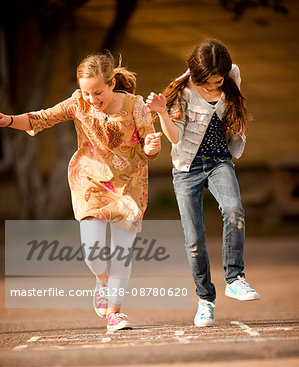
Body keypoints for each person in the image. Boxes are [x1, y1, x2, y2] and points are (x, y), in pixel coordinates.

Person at [0, 51, 161, 331]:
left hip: (130, 185)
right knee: (92, 253)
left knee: (122, 253)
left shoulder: (136, 106)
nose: (92, 99)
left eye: (98, 93)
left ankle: (115, 312)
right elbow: (41, 118)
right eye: (87, 93)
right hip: (90, 182)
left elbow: (148, 141)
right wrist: (8, 120)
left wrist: (152, 147)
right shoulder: (78, 103)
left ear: (112, 84)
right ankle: (102, 280)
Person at [146, 39, 260, 328]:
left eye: (217, 82)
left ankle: (235, 279)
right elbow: (174, 138)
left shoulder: (231, 75)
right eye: (206, 83)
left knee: (234, 211)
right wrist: (161, 112)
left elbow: (227, 71)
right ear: (196, 77)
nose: (213, 88)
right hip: (187, 167)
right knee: (195, 240)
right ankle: (205, 300)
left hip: (219, 160)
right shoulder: (181, 92)